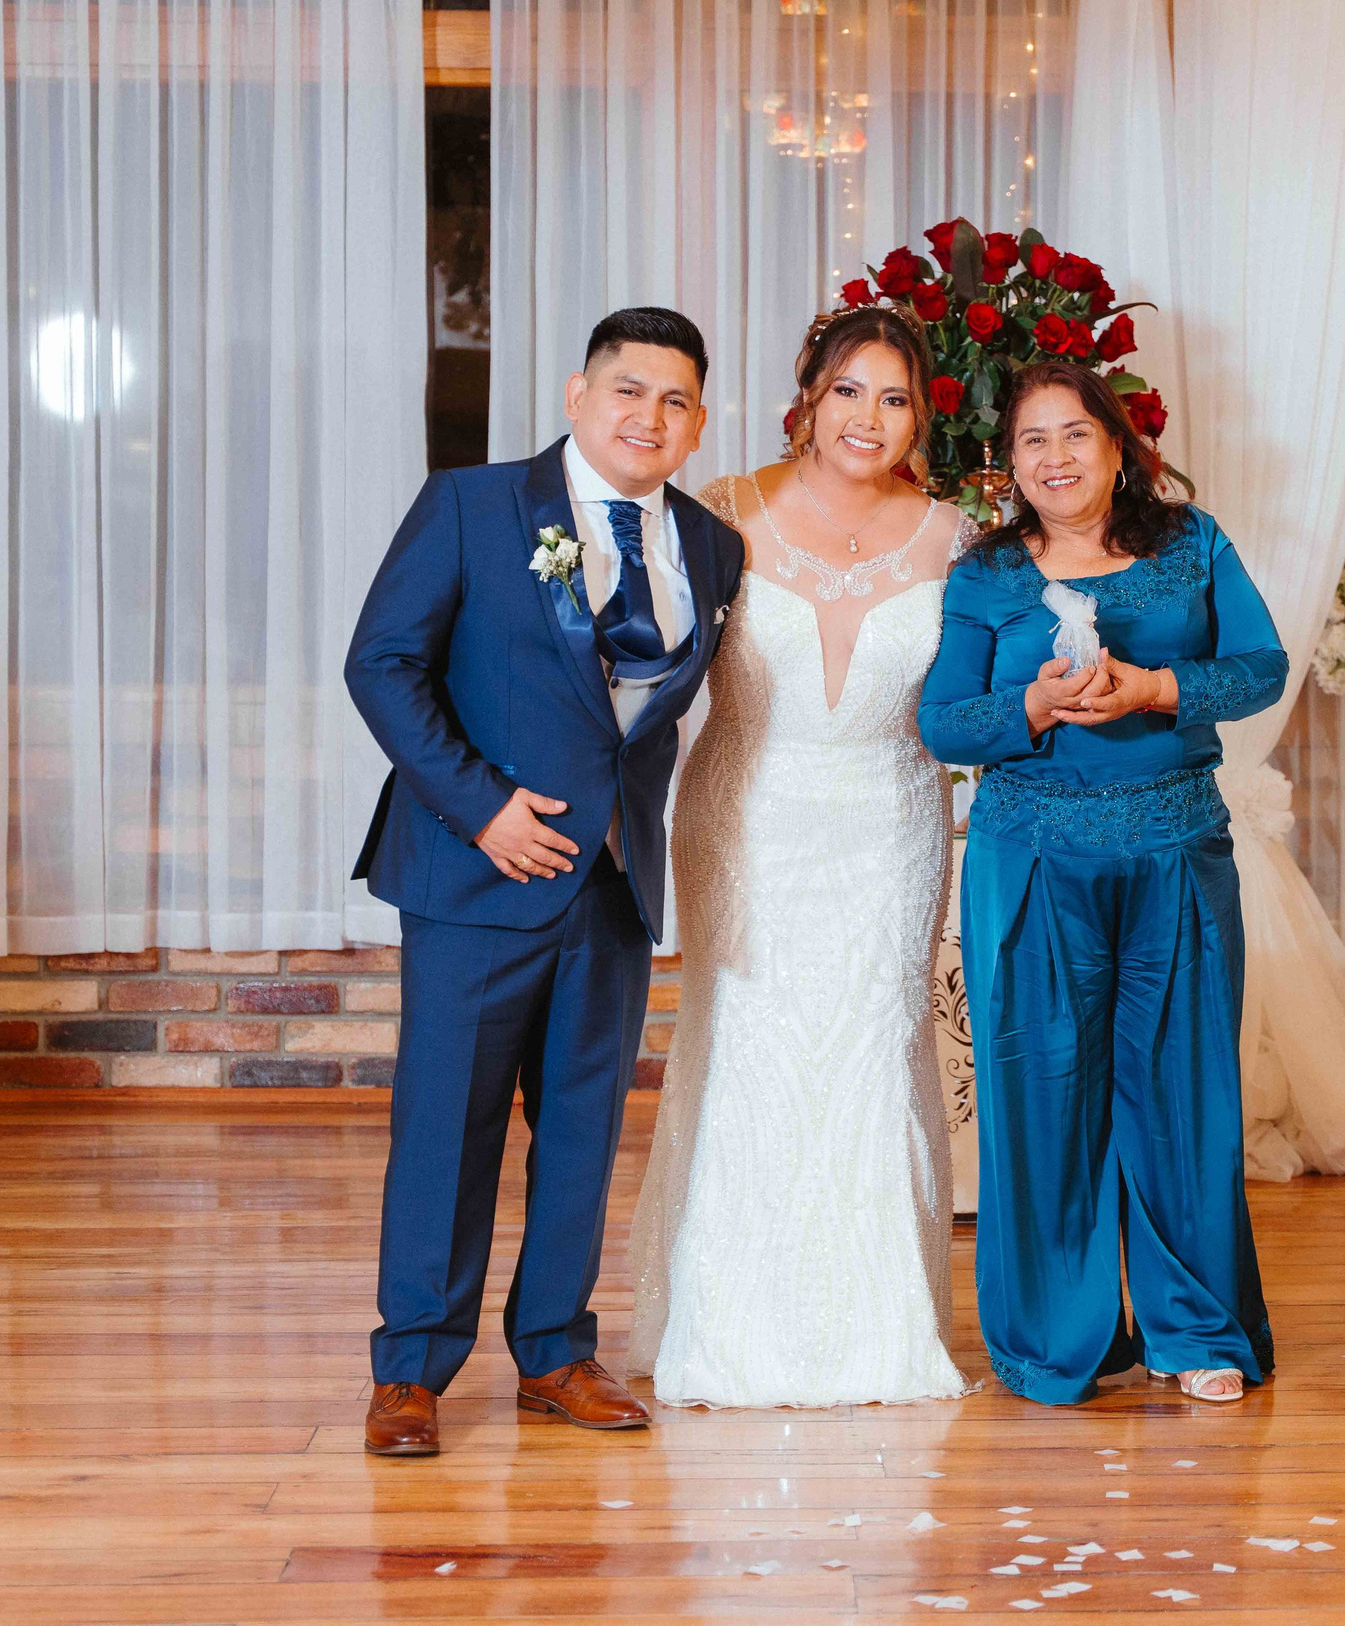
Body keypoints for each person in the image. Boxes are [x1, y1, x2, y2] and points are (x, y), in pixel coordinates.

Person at [344, 306, 746, 1457]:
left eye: (673, 400)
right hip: (477, 873)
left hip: (613, 882)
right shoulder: (473, 505)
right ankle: (412, 1365)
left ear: (696, 422)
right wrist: (480, 807)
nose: (647, 416)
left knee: (580, 1128)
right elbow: (381, 663)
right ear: (577, 394)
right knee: (446, 1123)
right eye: (628, 390)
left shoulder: (710, 548)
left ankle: (558, 1351)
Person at [918, 361, 1286, 1408]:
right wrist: (1029, 706)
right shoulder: (986, 573)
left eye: (1074, 433)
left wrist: (1157, 685)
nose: (1055, 457)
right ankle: (1051, 1339)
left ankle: (1196, 1326)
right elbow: (943, 719)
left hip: (1175, 849)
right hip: (1030, 857)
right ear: (1009, 462)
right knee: (1040, 1095)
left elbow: (1259, 666)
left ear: (1118, 445)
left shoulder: (1190, 544)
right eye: (1032, 440)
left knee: (1184, 1093)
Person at [626, 304, 974, 1408]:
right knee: (746, 1045)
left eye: (895, 397)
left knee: (873, 1048)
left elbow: (979, 692)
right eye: (848, 391)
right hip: (744, 817)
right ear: (808, 395)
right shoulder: (718, 510)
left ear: (920, 416)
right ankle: (726, 1327)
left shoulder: (956, 535)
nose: (868, 417)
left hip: (889, 819)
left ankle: (881, 1332)